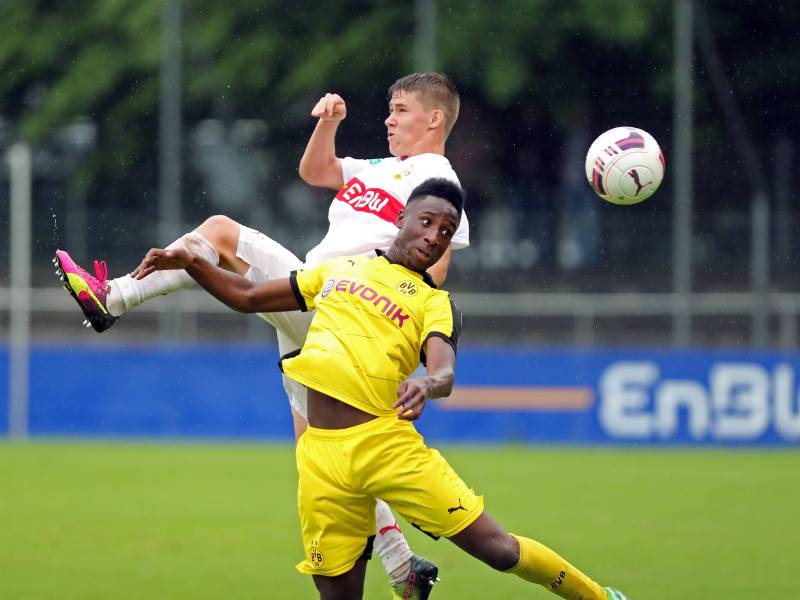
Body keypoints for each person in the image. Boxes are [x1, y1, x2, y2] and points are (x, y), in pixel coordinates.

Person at [54, 72, 470, 599]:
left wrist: (381, 319)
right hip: (309, 292)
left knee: (223, 233)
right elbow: (316, 170)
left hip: (346, 313)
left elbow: (435, 271)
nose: (389, 118)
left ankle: (112, 298)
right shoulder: (381, 168)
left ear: (435, 119)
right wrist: (329, 124)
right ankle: (402, 567)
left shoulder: (438, 180)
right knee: (318, 451)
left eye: (402, 109)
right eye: (389, 108)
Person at [133, 178, 629, 600]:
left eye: (446, 232)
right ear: (403, 219)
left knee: (499, 550)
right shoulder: (340, 269)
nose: (435, 236)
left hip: (386, 446)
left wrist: (427, 384)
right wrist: (192, 263)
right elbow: (246, 295)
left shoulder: (436, 303)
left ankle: (599, 596)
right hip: (321, 458)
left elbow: (444, 370)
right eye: (428, 221)